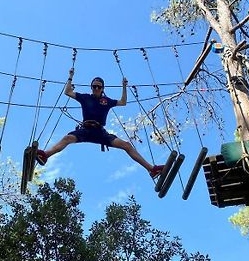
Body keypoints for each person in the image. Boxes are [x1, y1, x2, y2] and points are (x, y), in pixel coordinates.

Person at [36, 68, 164, 179]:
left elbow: (123, 102)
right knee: (67, 138)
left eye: (99, 86)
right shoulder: (85, 97)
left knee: (126, 145)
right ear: (91, 87)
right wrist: (70, 77)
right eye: (94, 86)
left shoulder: (106, 101)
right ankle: (45, 155)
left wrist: (124, 87)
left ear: (102, 88)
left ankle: (151, 169)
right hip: (85, 130)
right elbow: (68, 92)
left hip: (100, 132)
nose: (96, 88)